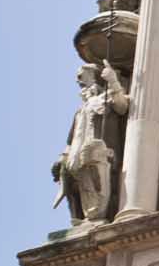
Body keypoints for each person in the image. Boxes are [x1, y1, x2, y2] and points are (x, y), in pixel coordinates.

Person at [53, 60, 128, 224]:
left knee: (98, 189)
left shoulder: (107, 98)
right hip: (77, 156)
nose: (78, 81)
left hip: (98, 154)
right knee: (79, 188)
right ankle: (85, 219)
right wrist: (62, 157)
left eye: (81, 76)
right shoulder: (82, 108)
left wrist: (113, 81)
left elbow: (122, 106)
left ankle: (97, 216)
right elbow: (71, 138)